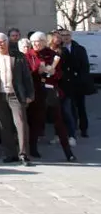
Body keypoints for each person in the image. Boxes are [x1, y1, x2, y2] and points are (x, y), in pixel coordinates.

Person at [0, 33, 33, 166]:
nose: (0, 44)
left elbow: (27, 77)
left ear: (7, 42)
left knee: (21, 124)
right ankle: (10, 154)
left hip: (15, 95)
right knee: (4, 126)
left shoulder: (18, 57)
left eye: (2, 42)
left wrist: (30, 95)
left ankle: (23, 154)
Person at [29, 32, 76, 162]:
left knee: (58, 121)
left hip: (50, 90)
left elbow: (60, 73)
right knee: (37, 121)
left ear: (44, 42)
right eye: (33, 42)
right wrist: (36, 72)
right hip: (36, 92)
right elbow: (26, 74)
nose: (36, 44)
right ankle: (33, 149)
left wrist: (54, 72)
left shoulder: (52, 54)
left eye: (38, 41)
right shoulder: (28, 55)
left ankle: (68, 152)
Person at [59, 29, 91, 138]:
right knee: (69, 107)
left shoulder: (79, 49)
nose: (66, 37)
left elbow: (85, 66)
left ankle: (84, 128)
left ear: (71, 36)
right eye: (63, 35)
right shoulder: (59, 50)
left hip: (78, 82)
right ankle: (72, 128)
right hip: (66, 83)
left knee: (81, 106)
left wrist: (82, 79)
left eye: (67, 35)